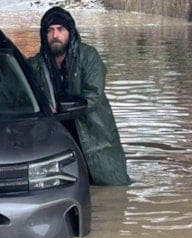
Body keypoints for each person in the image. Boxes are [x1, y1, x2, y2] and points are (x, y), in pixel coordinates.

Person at [27, 7, 131, 186]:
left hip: (93, 135)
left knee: (111, 189)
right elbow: (13, 90)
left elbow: (94, 95)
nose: (55, 35)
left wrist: (60, 107)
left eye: (60, 29)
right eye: (50, 30)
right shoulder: (35, 65)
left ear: (70, 32)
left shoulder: (89, 56)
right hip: (57, 138)